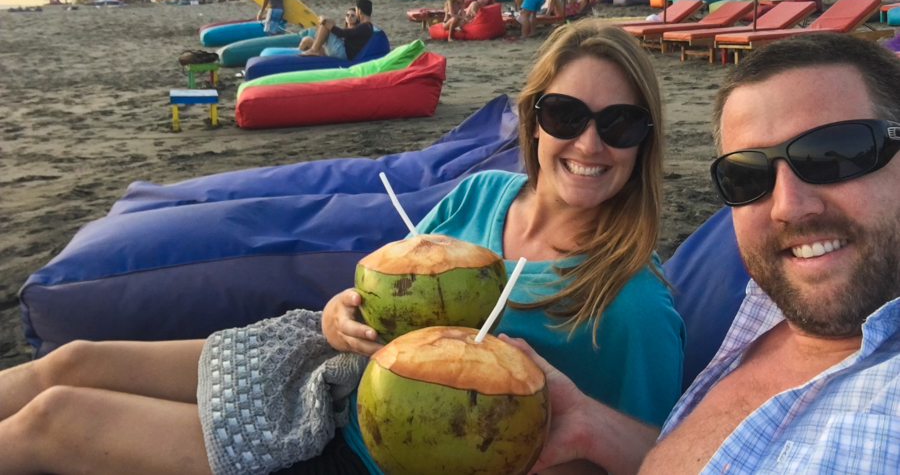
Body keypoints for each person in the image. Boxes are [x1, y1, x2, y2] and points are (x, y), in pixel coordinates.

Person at [0, 24, 683, 475]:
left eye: (619, 123)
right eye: (565, 116)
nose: (590, 144)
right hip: (320, 364)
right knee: (72, 361)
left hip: (357, 451)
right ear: (534, 120)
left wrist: (582, 422)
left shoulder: (630, 302)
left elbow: (669, 457)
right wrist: (339, 313)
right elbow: (385, 297)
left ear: (645, 140)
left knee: (58, 418)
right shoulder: (482, 195)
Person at [508, 33, 900, 475]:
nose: (789, 205)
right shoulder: (764, 317)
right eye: (746, 175)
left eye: (836, 154)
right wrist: (589, 423)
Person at [300, 0, 375, 61]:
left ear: (360, 11)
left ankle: (314, 50)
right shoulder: (368, 27)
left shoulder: (364, 26)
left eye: (356, 10)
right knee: (326, 24)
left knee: (328, 22)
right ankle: (314, 49)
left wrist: (325, 22)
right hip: (343, 51)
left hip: (342, 53)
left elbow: (343, 33)